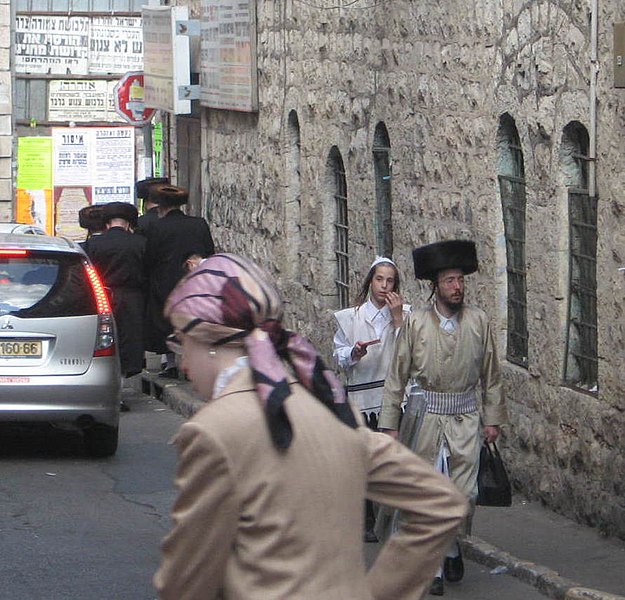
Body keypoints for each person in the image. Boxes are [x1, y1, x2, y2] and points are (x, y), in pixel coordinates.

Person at [153, 252, 467, 600]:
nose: (183, 363)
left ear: (209, 341)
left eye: (182, 342)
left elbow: (186, 584)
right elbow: (440, 500)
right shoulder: (330, 406)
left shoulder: (214, 431)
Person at [378, 239, 507, 596]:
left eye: (460, 281)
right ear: (436, 286)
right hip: (425, 420)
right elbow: (397, 374)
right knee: (428, 495)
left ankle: (451, 547)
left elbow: (491, 374)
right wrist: (390, 424)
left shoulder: (479, 322)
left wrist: (492, 419)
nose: (457, 287)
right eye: (450, 281)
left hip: (465, 418)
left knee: (463, 495)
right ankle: (433, 566)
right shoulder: (416, 323)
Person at [333, 255, 411, 542]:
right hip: (362, 397)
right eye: (379, 279)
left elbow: (411, 352)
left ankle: (391, 516)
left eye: (390, 281)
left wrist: (398, 319)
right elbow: (338, 356)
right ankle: (366, 515)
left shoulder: (405, 315)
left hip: (393, 397)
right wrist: (354, 352)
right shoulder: (350, 317)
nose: (384, 285)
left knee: (393, 457)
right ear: (370, 282)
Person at [144, 184, 215, 378]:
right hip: (194, 281)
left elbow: (149, 255)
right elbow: (209, 251)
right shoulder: (199, 223)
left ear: (160, 207)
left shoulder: (156, 227)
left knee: (167, 322)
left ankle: (172, 363)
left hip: (164, 281)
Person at [83, 202, 146, 410]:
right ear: (128, 222)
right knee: (127, 343)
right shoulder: (140, 242)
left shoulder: (95, 244)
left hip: (103, 296)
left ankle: (109, 392)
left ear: (107, 223)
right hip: (132, 297)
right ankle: (120, 387)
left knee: (105, 344)